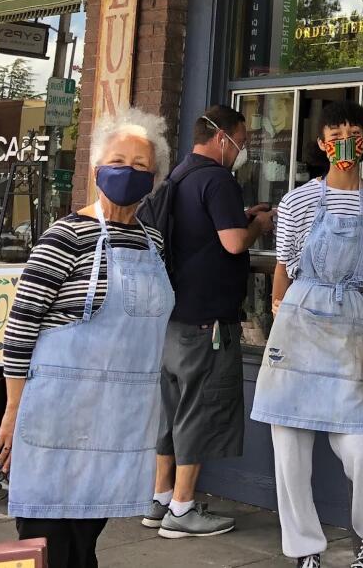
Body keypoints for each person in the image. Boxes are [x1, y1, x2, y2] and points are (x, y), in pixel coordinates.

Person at [0, 108, 173, 568]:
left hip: (116, 422)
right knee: (46, 545)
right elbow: (21, 326)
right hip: (56, 419)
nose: (127, 172)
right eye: (118, 161)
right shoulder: (65, 236)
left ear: (153, 180)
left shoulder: (152, 242)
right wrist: (13, 410)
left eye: (140, 165)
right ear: (96, 171)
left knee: (85, 543)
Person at [251, 101, 363, 568]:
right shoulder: (297, 200)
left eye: (354, 135)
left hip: (347, 322)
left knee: (361, 451)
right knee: (290, 451)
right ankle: (305, 551)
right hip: (297, 322)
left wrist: (340, 291)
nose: (345, 144)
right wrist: (279, 314)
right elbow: (284, 264)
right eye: (335, 136)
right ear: (321, 143)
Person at [147, 105, 276, 539]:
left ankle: (161, 499)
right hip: (208, 322)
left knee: (172, 410)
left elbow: (203, 233)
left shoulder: (180, 174)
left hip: (174, 317)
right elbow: (234, 243)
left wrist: (241, 216)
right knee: (200, 409)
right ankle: (183, 510)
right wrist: (258, 224)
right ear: (223, 137)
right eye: (242, 140)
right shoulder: (218, 179)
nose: (243, 149)